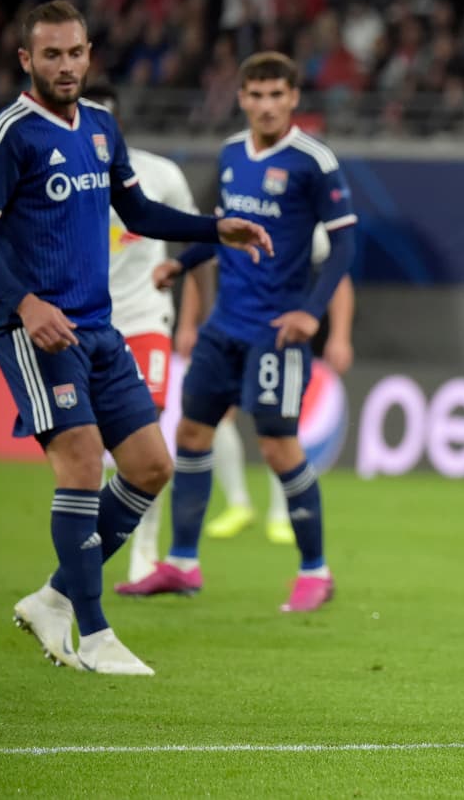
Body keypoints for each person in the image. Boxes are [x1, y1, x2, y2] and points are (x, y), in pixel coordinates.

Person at [0, 0, 271, 674]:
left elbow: (141, 211)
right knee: (81, 459)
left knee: (151, 465)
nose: (64, 66)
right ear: (26, 61)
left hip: (99, 327)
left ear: (89, 54)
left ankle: (54, 597)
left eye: (74, 53)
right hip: (35, 331)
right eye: (51, 55)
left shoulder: (100, 128)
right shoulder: (7, 135)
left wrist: (219, 227)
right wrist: (26, 302)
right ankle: (94, 633)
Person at [115, 51, 357, 613]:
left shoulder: (313, 162)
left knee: (277, 446)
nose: (267, 105)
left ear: (294, 98)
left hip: (276, 330)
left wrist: (313, 313)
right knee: (192, 437)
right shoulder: (229, 153)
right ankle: (180, 563)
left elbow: (345, 241)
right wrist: (183, 261)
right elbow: (226, 229)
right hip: (223, 325)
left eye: (278, 94)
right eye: (257, 94)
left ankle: (315, 571)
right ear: (242, 97)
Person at [83, 83, 199, 583]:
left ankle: (144, 549)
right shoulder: (65, 177)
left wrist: (191, 319)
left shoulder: (160, 175)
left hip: (149, 320)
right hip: (89, 324)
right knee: (95, 446)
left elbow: (193, 244)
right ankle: (95, 540)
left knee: (144, 434)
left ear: (118, 123)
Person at [175, 226, 355, 546]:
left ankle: (279, 513)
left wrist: (339, 335)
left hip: (276, 336)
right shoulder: (234, 210)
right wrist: (189, 324)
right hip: (228, 331)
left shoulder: (303, 222)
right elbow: (199, 264)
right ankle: (238, 504)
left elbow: (338, 277)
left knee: (276, 430)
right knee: (214, 420)